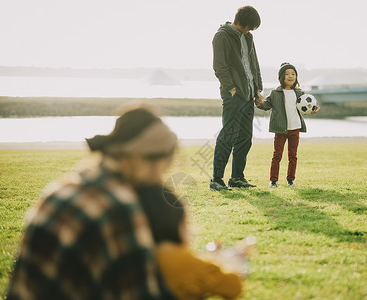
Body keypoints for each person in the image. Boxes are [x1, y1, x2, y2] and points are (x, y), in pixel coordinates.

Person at [6, 105, 179, 299]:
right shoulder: (118, 207)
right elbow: (138, 293)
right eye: (162, 168)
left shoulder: (66, 186)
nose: (158, 179)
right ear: (139, 158)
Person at [136, 186, 244, 300]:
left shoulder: (136, 257)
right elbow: (233, 287)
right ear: (176, 224)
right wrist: (230, 263)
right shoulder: (182, 261)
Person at [210, 5, 264, 191]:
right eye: (249, 26)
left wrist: (258, 89)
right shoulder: (222, 36)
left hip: (249, 94)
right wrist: (231, 88)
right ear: (241, 21)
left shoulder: (248, 37)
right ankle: (216, 180)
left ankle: (237, 178)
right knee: (228, 135)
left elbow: (254, 65)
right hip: (233, 95)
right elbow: (219, 66)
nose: (250, 30)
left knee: (245, 138)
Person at [257, 63, 320, 188]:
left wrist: (313, 110)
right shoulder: (275, 93)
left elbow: (305, 109)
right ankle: (273, 181)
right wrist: (259, 102)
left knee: (293, 156)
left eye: (293, 74)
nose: (290, 76)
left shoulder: (300, 93)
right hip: (280, 129)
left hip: (295, 128)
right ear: (281, 77)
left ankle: (290, 180)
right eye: (287, 74)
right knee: (277, 155)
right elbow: (265, 105)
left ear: (296, 77)